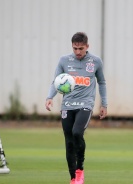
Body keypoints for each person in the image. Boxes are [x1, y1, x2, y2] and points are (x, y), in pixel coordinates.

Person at [45, 32, 107, 184]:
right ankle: (73, 178)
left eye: (81, 48)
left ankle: (80, 169)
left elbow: (102, 82)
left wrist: (104, 103)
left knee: (77, 132)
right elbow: (56, 81)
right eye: (75, 49)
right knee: (69, 140)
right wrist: (49, 97)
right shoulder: (64, 60)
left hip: (85, 104)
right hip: (67, 105)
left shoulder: (96, 61)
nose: (78, 52)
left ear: (87, 46)